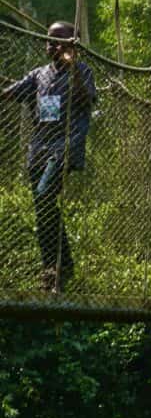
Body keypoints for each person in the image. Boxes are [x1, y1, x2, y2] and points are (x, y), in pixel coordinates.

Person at [2, 21, 96, 293]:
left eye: (57, 41)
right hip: (38, 151)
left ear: (70, 45)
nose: (50, 45)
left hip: (64, 147)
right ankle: (55, 267)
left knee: (45, 195)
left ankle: (58, 267)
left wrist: (72, 65)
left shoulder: (83, 71)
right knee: (43, 208)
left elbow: (86, 100)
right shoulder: (39, 75)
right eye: (48, 40)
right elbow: (10, 93)